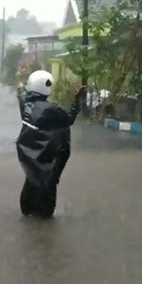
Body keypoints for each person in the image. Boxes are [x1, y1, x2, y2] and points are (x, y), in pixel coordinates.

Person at [16, 70, 86, 218]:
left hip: (27, 149)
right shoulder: (50, 109)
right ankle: (44, 211)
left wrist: (21, 88)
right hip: (44, 151)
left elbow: (21, 95)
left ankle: (27, 207)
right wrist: (76, 99)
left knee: (31, 176)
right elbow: (69, 118)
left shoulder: (26, 104)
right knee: (48, 179)